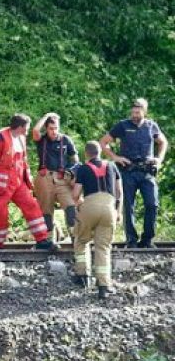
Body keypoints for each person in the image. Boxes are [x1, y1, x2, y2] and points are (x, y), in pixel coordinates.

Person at [0, 113, 57, 250]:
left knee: (31, 206)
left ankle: (42, 239)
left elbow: (22, 161)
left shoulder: (21, 137)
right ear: (20, 127)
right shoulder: (0, 138)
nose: (28, 130)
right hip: (3, 183)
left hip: (18, 181)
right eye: (26, 127)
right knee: (0, 213)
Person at [100, 97, 167, 247]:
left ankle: (147, 239)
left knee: (152, 204)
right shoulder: (123, 125)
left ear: (144, 112)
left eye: (138, 112)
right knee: (128, 205)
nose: (135, 115)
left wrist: (159, 159)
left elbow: (163, 142)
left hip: (147, 171)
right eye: (133, 112)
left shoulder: (151, 126)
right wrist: (116, 157)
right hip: (128, 171)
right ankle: (131, 240)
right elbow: (103, 142)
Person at [70, 140, 122, 299]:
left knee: (81, 240)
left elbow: (75, 194)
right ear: (100, 152)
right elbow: (119, 192)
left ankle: (83, 276)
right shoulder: (113, 166)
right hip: (109, 208)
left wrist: (79, 204)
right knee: (103, 247)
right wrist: (118, 212)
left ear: (86, 153)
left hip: (90, 206)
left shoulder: (83, 168)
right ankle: (104, 286)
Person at [32, 112, 79, 244]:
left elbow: (75, 159)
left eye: (56, 128)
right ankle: (49, 240)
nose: (54, 131)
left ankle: (75, 238)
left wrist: (71, 172)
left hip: (62, 178)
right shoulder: (42, 140)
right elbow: (35, 130)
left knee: (70, 206)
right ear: (46, 129)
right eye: (51, 128)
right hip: (45, 178)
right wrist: (46, 116)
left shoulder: (65, 140)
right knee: (46, 211)